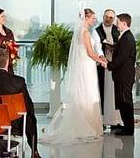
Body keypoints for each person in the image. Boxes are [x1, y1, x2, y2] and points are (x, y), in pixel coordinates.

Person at [40, 8, 106, 145]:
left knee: (82, 95)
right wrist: (102, 61)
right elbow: (90, 52)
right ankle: (87, 127)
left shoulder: (78, 32)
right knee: (88, 94)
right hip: (87, 66)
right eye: (93, 18)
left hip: (83, 66)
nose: (95, 21)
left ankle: (85, 124)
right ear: (86, 18)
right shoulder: (85, 32)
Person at [0, 48, 41, 158]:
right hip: (14, 125)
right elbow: (28, 107)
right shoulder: (18, 81)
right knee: (30, 116)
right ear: (7, 62)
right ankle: (34, 151)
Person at [107, 13, 136, 136]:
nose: (116, 24)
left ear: (124, 23)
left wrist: (108, 65)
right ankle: (126, 126)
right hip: (122, 75)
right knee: (123, 102)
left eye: (118, 22)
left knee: (125, 102)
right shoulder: (125, 37)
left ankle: (129, 129)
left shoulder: (127, 38)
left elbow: (122, 58)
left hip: (124, 75)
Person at [92, 8, 122, 128]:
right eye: (106, 17)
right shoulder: (97, 31)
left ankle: (115, 120)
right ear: (103, 17)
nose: (108, 19)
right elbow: (97, 46)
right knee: (102, 91)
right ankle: (103, 120)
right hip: (102, 65)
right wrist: (102, 56)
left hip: (115, 65)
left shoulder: (117, 30)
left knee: (115, 93)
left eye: (111, 17)